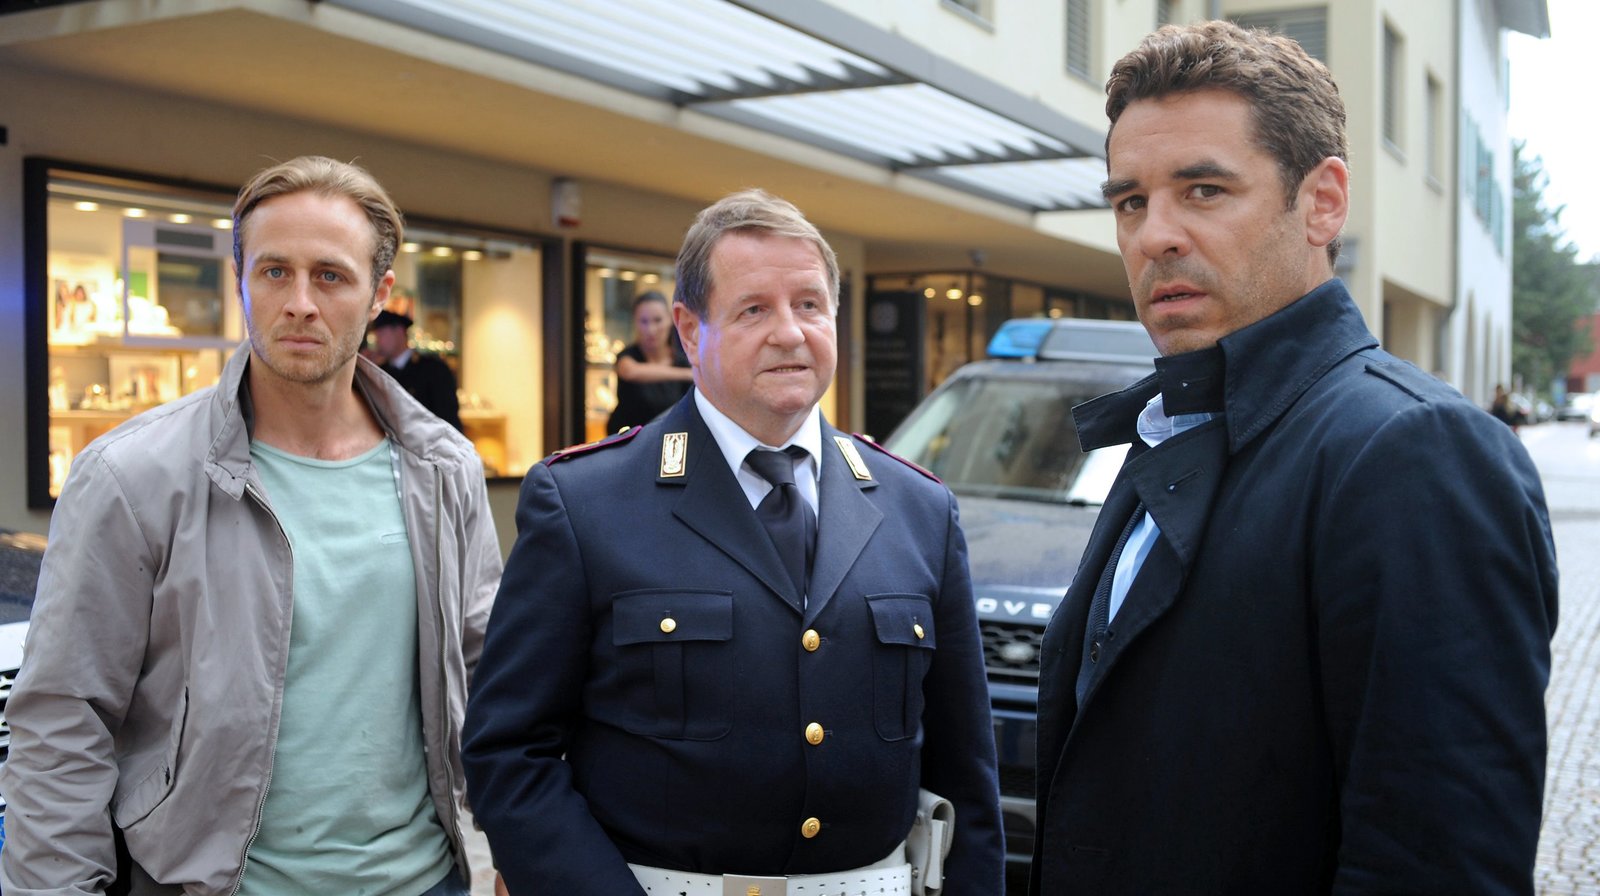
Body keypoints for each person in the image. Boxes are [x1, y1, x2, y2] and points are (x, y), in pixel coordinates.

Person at [1031, 21, 1558, 895]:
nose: (1155, 234)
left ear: (1322, 203)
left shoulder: (1415, 453)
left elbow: (1437, 861)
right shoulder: (1172, 425)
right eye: (1130, 201)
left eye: (1203, 190)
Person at [463, 188, 1003, 894]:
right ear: (690, 331)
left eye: (809, 305)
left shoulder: (918, 509)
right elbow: (509, 754)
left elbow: (967, 774)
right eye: (754, 309)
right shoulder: (586, 503)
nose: (790, 332)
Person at [0, 156, 502, 895]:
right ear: (240, 280)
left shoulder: (444, 467)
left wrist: (506, 847)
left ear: (379, 295)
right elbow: (63, 720)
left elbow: (488, 678)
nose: (299, 303)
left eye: (329, 276)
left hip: (429, 880)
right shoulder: (132, 477)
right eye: (273, 272)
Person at [606, 289, 693, 432]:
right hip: (627, 440)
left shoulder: (683, 361)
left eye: (657, 320)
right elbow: (630, 371)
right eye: (643, 321)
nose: (651, 329)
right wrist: (689, 374)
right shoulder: (628, 356)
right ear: (635, 322)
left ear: (671, 320)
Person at [372, 307, 465, 432]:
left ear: (399, 332)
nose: (377, 340)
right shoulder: (380, 371)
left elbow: (449, 420)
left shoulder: (433, 369)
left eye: (382, 333)